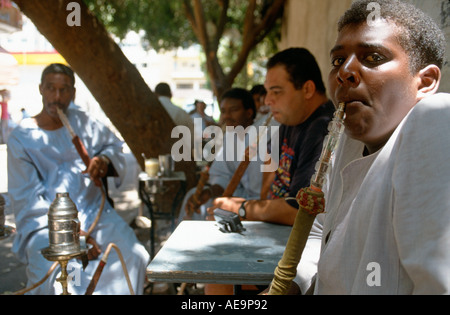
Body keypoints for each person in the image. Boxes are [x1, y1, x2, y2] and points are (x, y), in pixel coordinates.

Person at [301, 0, 449, 294]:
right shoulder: (346, 139)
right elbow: (318, 230)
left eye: (373, 57)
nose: (344, 72)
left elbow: (439, 286)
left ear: (425, 82)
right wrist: (290, 283)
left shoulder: (435, 120)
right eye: (337, 61)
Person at [7, 63, 149, 295]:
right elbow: (28, 201)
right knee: (65, 272)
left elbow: (115, 146)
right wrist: (72, 234)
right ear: (41, 89)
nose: (57, 97)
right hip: (47, 225)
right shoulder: (22, 138)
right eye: (51, 89)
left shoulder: (84, 122)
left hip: (96, 213)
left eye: (64, 90)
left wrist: (104, 159)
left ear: (73, 93)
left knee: (135, 256)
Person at [210, 48, 335, 227]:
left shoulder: (323, 128)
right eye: (268, 92)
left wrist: (241, 208)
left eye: (276, 92)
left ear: (307, 89)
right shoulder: (290, 123)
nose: (268, 100)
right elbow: (272, 173)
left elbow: (299, 211)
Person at [180, 88, 263, 221]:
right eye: (223, 111)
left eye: (234, 110)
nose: (226, 116)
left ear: (249, 113)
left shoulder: (264, 137)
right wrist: (209, 192)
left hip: (266, 203)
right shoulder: (230, 138)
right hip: (241, 197)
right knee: (197, 197)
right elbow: (223, 176)